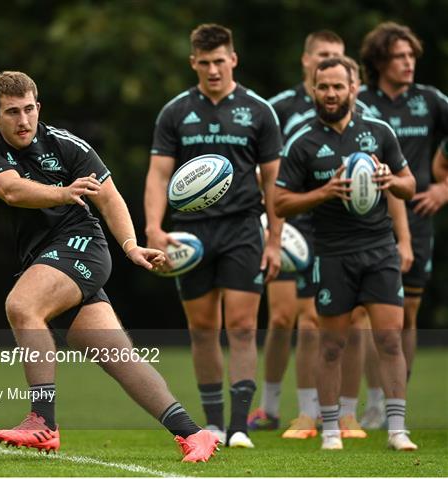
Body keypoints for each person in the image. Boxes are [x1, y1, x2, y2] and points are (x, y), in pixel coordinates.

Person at [0, 71, 220, 463]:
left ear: (39, 108)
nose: (23, 120)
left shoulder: (66, 144)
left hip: (81, 246)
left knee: (23, 306)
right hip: (46, 255)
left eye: (30, 109)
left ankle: (43, 422)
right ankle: (194, 433)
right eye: (13, 112)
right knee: (118, 356)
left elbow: (109, 197)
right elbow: (10, 190)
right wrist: (62, 192)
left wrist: (131, 245)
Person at [144, 24, 283, 448]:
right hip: (191, 233)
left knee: (241, 326)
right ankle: (216, 424)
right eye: (204, 63)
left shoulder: (259, 111)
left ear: (233, 59)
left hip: (243, 228)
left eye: (220, 61)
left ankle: (240, 425)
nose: (213, 70)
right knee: (202, 328)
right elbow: (159, 174)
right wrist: (152, 226)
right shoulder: (175, 112)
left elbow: (273, 182)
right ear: (193, 64)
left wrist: (274, 239)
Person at [275, 57, 417, 451]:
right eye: (324, 87)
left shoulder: (379, 132)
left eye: (339, 86)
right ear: (313, 90)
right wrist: (325, 193)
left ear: (353, 88)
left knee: (389, 338)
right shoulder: (301, 141)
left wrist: (392, 180)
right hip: (333, 254)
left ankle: (396, 430)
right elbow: (281, 202)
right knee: (332, 344)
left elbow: (409, 184)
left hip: (379, 250)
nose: (331, 94)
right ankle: (332, 431)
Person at [248, 33, 369, 440]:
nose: (331, 63)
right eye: (324, 57)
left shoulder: (360, 112)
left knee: (335, 320)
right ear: (307, 62)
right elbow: (265, 171)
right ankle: (272, 406)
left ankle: (336, 413)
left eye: (338, 58)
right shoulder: (280, 108)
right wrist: (269, 226)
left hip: (340, 229)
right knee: (285, 318)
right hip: (293, 225)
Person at [358, 22, 448, 427]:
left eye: (412, 56)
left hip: (417, 217)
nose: (409, 63)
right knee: (364, 314)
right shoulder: (358, 101)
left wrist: (444, 189)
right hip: (364, 223)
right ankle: (373, 401)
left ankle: (397, 400)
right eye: (400, 56)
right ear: (379, 60)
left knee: (405, 314)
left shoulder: (430, 100)